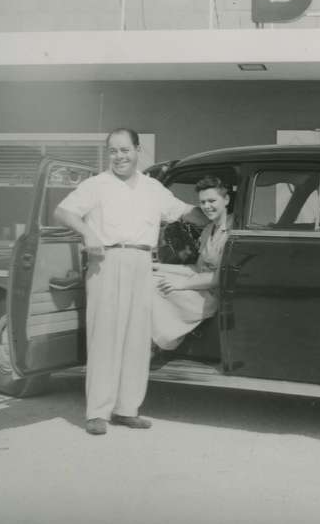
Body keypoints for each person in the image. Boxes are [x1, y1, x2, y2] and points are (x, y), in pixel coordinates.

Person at [54, 127, 203, 436]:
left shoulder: (153, 188)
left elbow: (185, 212)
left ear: (138, 151)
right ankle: (98, 412)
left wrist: (218, 211)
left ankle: (127, 409)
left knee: (137, 338)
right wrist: (88, 232)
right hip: (106, 261)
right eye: (113, 151)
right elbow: (63, 211)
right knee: (105, 335)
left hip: (141, 261)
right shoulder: (96, 185)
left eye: (125, 150)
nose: (119, 156)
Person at [151, 175, 233, 357]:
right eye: (202, 202)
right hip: (199, 285)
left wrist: (181, 284)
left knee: (153, 287)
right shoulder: (208, 230)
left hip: (213, 294)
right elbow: (197, 268)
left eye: (212, 201)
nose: (206, 207)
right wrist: (157, 267)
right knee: (148, 278)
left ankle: (162, 343)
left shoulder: (232, 230)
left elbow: (218, 278)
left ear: (226, 200)